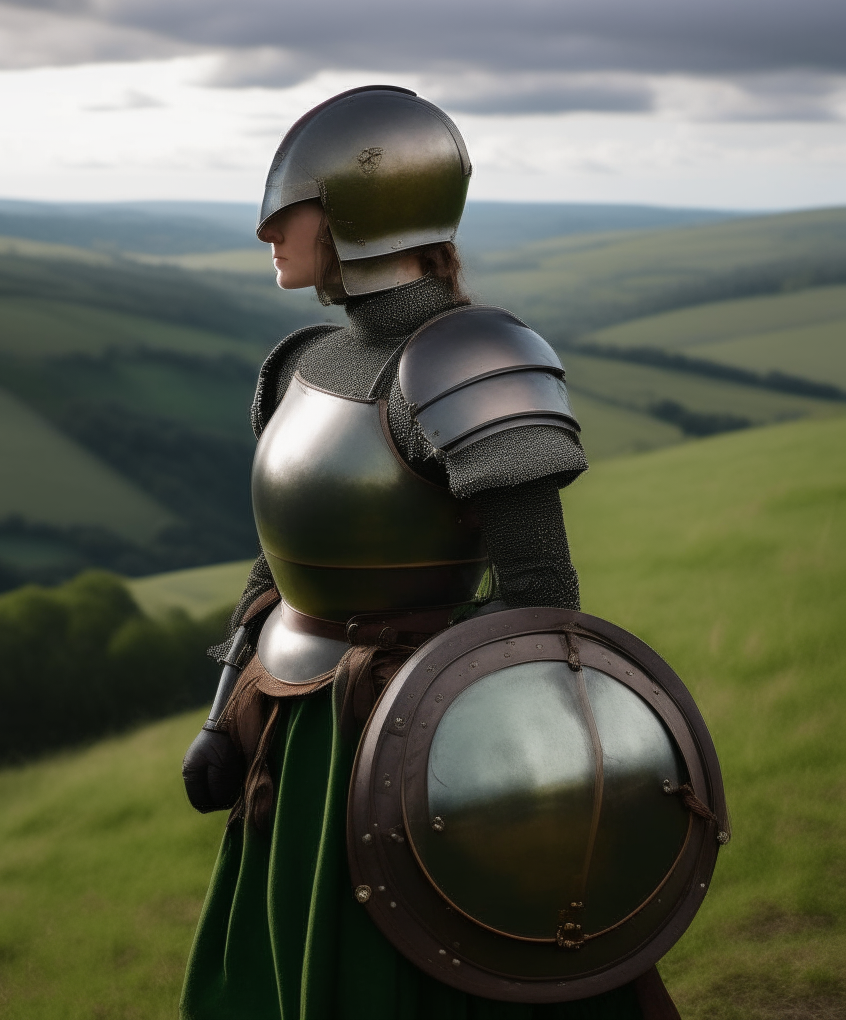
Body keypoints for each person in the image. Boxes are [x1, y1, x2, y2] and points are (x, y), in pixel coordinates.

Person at [180, 86, 670, 1019]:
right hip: (297, 731)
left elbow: (539, 591)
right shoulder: (301, 364)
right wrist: (222, 712)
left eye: (290, 207)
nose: (267, 232)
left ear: (363, 210)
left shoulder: (465, 361)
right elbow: (276, 573)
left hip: (418, 742)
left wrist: (422, 748)